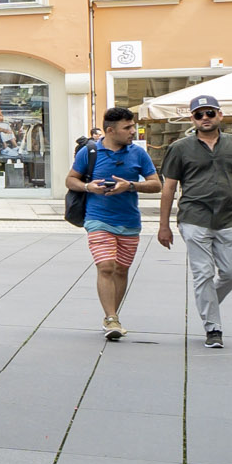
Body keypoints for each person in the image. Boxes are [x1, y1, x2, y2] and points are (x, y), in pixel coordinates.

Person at [155, 92, 232, 349]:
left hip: (229, 216)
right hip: (193, 216)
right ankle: (213, 327)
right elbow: (168, 187)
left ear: (220, 115)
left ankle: (207, 303)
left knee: (231, 273)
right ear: (192, 118)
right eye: (199, 114)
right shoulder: (179, 148)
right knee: (202, 272)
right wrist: (163, 225)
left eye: (210, 113)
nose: (205, 118)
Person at [68, 104, 160, 342]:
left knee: (121, 269)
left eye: (133, 126)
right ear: (110, 130)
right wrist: (89, 187)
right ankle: (111, 318)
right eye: (127, 127)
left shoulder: (138, 153)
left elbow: (156, 184)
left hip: (129, 221)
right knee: (106, 266)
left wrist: (130, 185)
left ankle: (113, 315)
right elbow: (71, 180)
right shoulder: (89, 153)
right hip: (98, 218)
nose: (133, 131)